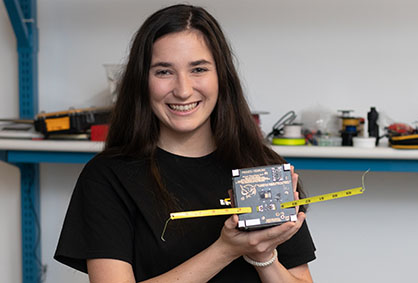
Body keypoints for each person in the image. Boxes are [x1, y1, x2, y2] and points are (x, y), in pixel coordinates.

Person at [54, 4, 316, 282]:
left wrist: (263, 255)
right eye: (164, 72)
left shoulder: (263, 169)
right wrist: (226, 249)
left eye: (199, 69)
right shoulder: (108, 177)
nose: (183, 90)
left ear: (221, 77)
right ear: (143, 80)